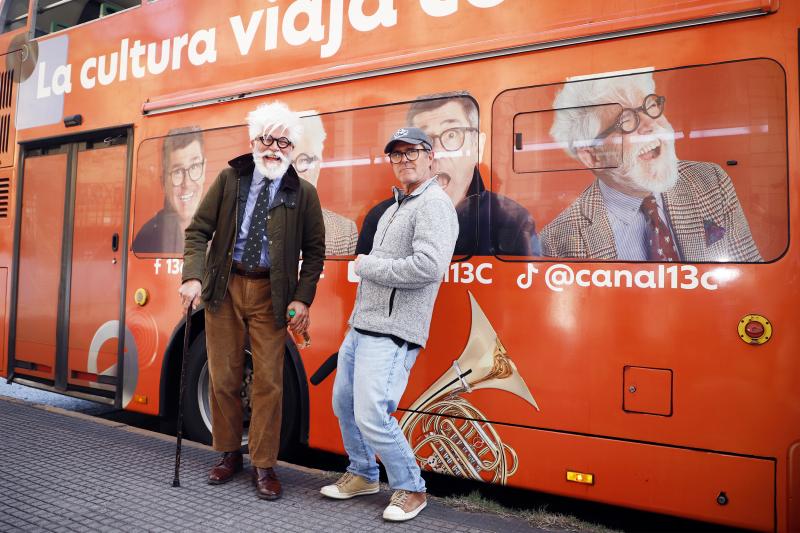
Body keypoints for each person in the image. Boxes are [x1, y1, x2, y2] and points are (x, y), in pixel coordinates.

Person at [179, 102, 325, 500]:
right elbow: (198, 231)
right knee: (223, 376)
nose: (273, 148)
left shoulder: (304, 194)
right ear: (253, 141)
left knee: (269, 384)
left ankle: (264, 465)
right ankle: (229, 454)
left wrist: (302, 298)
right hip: (224, 288)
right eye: (266, 138)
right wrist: (193, 276)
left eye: (283, 141)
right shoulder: (230, 179)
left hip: (270, 295)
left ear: (292, 149)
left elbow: (314, 254)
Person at [320, 127, 458, 522]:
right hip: (363, 325)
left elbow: (429, 267)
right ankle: (363, 473)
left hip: (394, 330)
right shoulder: (397, 206)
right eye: (397, 155)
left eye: (412, 152)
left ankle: (412, 488)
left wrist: (368, 265)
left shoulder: (433, 204)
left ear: (431, 156)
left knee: (372, 413)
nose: (405, 160)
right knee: (344, 404)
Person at [540, 72, 761, 262]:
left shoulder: (710, 181)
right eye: (626, 120)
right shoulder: (558, 239)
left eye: (651, 106)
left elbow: (749, 276)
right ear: (593, 156)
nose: (651, 125)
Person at [355, 93, 538, 256]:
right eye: (424, 141)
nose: (436, 152)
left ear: (478, 146)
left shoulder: (512, 220)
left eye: (451, 135)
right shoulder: (380, 217)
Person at [133, 126, 206, 254]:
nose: (187, 183)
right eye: (177, 171)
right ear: (164, 183)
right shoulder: (146, 238)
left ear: (204, 169)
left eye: (194, 166)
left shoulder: (224, 231)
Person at [295, 113, 359, 255]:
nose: (293, 174)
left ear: (318, 164)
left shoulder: (345, 231)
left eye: (303, 160)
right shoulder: (253, 228)